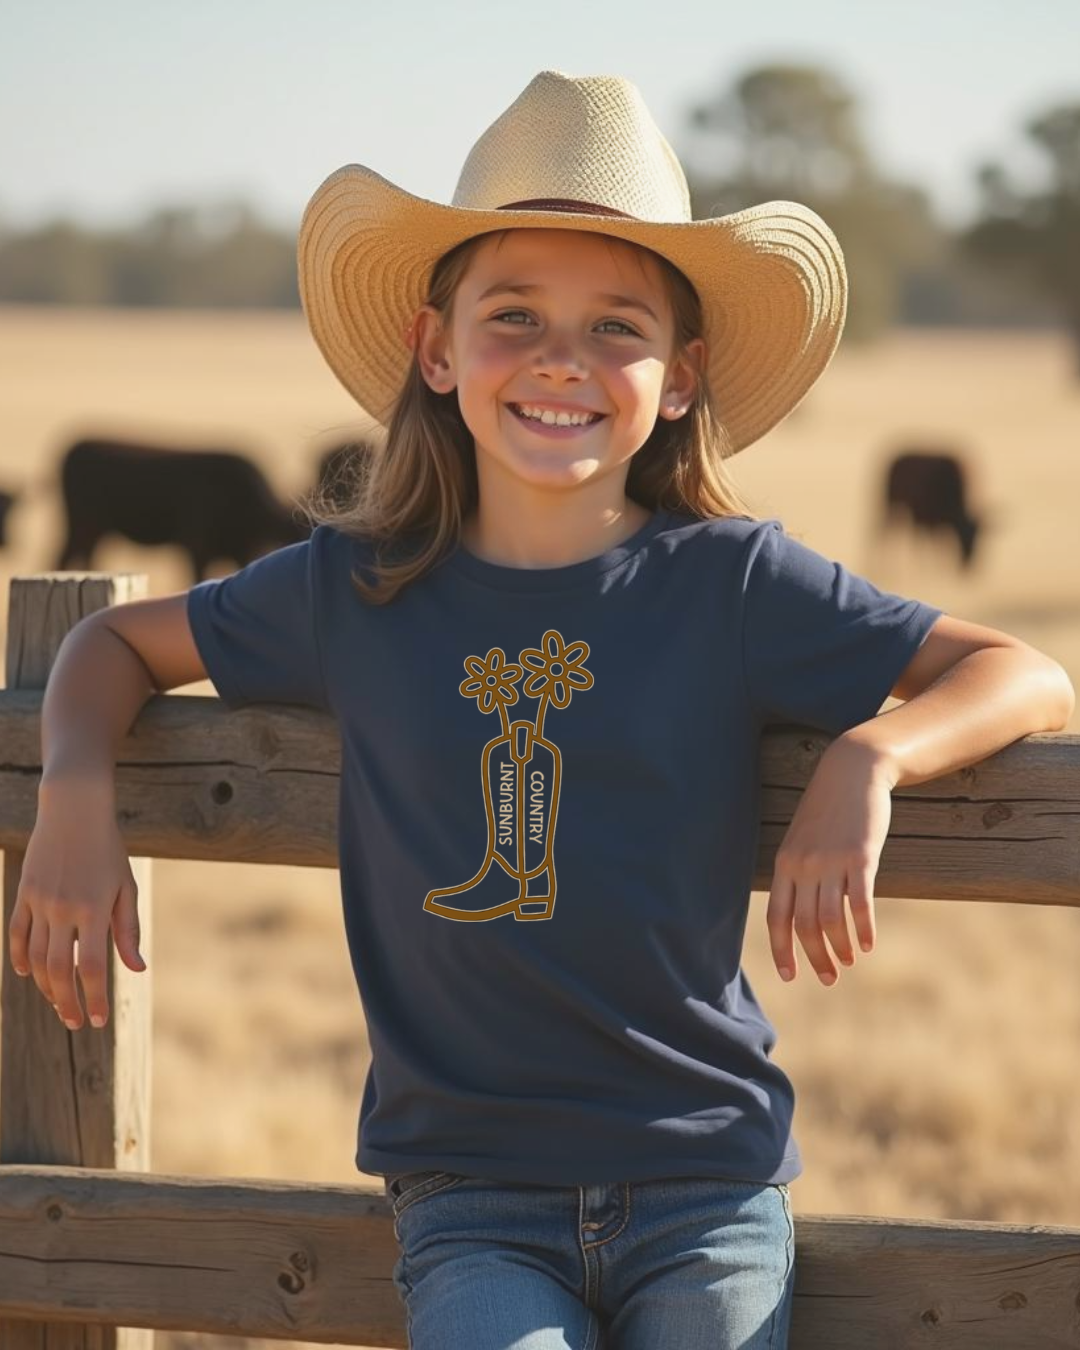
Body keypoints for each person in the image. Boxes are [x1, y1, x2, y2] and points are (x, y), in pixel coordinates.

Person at [9, 71, 1073, 1350]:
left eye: (615, 327)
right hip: (471, 1197)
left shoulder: (730, 583)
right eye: (515, 315)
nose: (563, 358)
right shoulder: (362, 586)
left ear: (679, 380)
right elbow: (114, 644)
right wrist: (73, 793)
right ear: (436, 350)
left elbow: (1025, 672)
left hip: (709, 1187)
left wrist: (873, 756)